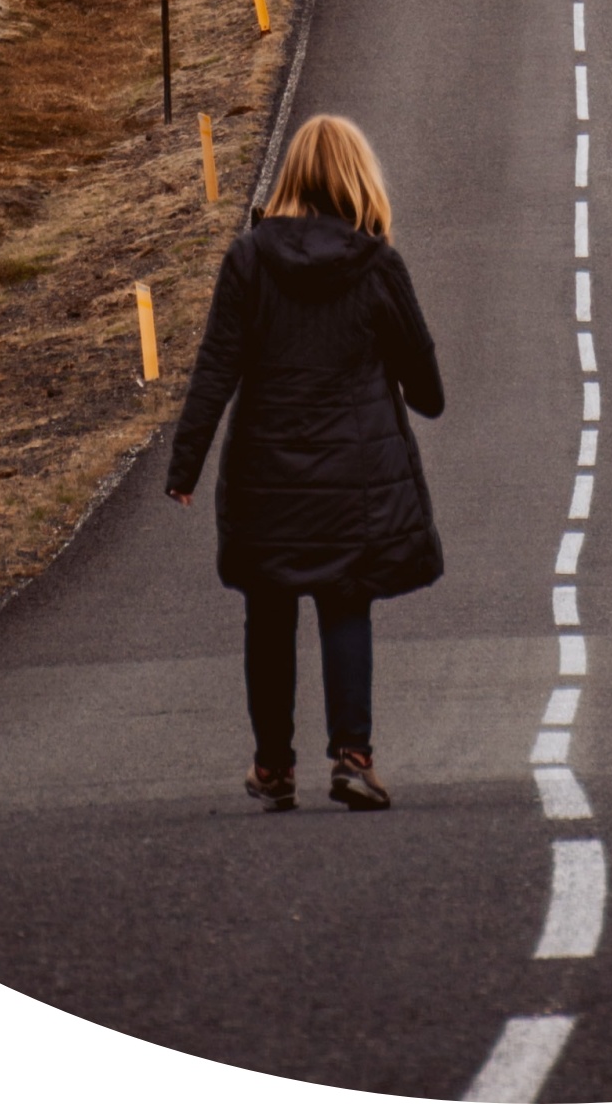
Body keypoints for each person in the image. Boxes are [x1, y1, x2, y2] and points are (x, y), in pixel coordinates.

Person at [167, 114, 445, 812]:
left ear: (290, 178)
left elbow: (215, 370)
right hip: (352, 484)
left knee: (269, 610)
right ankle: (353, 757)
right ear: (359, 179)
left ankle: (273, 767)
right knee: (346, 602)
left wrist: (185, 466)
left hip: (266, 476)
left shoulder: (250, 260)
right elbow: (428, 393)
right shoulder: (377, 264)